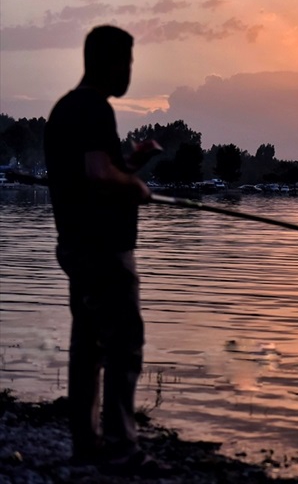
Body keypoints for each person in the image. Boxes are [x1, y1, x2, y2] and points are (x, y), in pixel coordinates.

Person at [44, 25, 163, 474]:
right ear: (112, 63)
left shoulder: (66, 109)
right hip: (103, 249)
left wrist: (131, 162)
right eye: (128, 62)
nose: (130, 72)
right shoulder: (94, 108)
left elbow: (92, 170)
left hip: (75, 243)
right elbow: (97, 175)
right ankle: (121, 447)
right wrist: (134, 185)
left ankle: (87, 443)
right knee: (124, 345)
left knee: (88, 346)